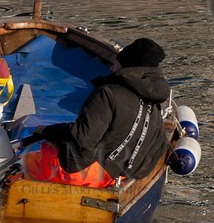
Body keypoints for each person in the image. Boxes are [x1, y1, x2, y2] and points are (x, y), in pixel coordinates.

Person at [24, 37, 171, 187]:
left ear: (127, 68)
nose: (111, 68)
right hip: (124, 177)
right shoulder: (154, 100)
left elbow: (82, 137)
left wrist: (45, 130)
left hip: (88, 175)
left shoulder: (108, 94)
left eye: (115, 64)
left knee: (21, 166)